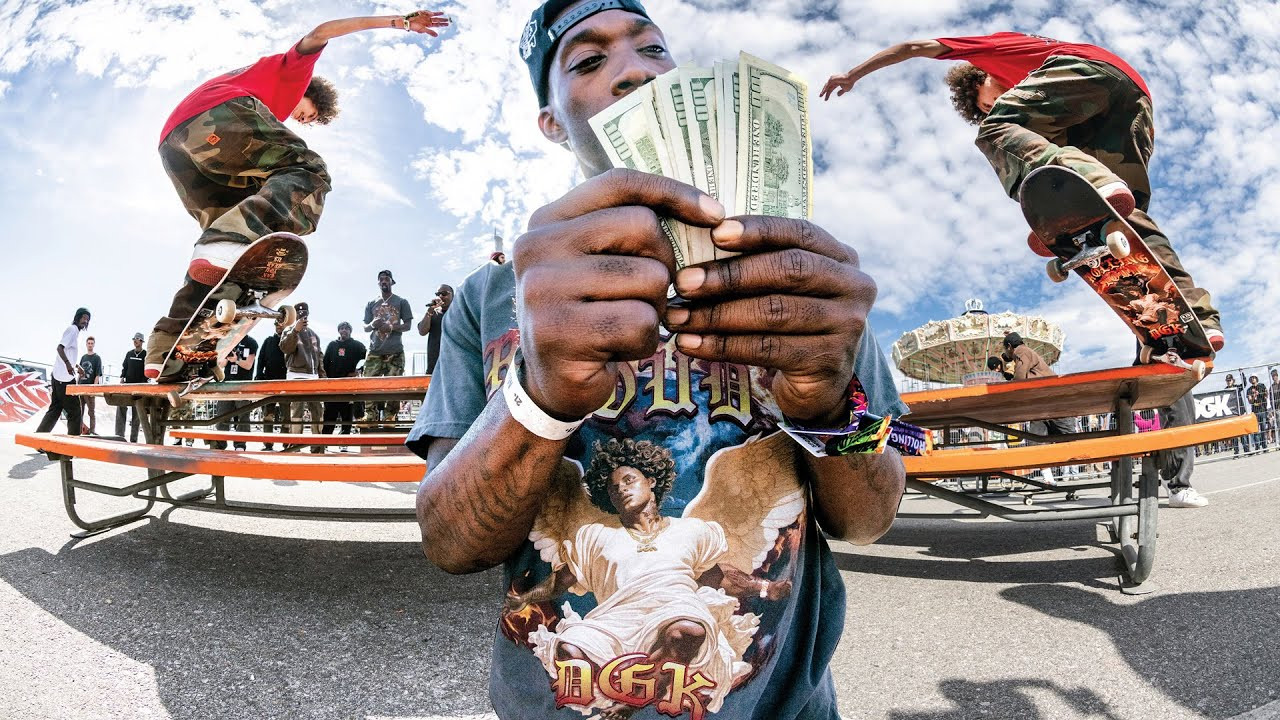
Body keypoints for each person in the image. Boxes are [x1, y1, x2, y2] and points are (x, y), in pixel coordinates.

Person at [409, 2, 908, 717]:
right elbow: (450, 541)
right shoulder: (493, 297)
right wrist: (539, 400)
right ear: (551, 121)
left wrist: (832, 406)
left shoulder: (801, 280)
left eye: (654, 51)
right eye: (587, 60)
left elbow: (870, 517)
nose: (634, 70)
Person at [821, 32, 1223, 352]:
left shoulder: (991, 53)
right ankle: (1198, 314)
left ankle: (1083, 183)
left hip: (1087, 72)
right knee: (1126, 220)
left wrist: (853, 73)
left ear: (981, 78)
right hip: (1132, 103)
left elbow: (912, 47)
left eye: (988, 100)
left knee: (996, 131)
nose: (994, 103)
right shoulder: (1053, 111)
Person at [143, 10, 451, 379]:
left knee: (221, 258)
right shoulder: (293, 73)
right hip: (217, 116)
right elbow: (324, 30)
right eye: (308, 114)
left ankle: (167, 345)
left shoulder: (251, 94)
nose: (301, 121)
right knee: (309, 172)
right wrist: (400, 22)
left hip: (176, 146)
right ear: (309, 93)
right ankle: (226, 241)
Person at [363, 270, 413, 424]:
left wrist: (391, 327)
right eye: (381, 279)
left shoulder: (401, 301)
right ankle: (370, 416)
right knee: (369, 383)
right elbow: (365, 327)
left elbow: (408, 325)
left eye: (387, 279)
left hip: (395, 351)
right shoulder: (371, 303)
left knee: (394, 385)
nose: (384, 281)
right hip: (375, 350)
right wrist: (372, 324)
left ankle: (390, 416)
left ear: (392, 282)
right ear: (378, 283)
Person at [36, 308, 90, 435]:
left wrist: (77, 366)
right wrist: (67, 365)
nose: (85, 321)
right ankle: (73, 443)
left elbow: (68, 354)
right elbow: (60, 348)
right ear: (77, 317)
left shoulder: (75, 332)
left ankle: (40, 439)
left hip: (59, 376)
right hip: (64, 379)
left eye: (87, 319)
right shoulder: (72, 330)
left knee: (55, 408)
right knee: (75, 411)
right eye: (83, 318)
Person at [280, 301, 325, 450]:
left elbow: (319, 358)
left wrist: (323, 379)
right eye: (299, 311)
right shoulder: (288, 330)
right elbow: (285, 348)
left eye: (305, 311)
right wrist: (295, 331)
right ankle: (295, 445)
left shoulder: (314, 335)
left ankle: (317, 446)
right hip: (296, 376)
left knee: (317, 412)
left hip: (314, 378)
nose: (302, 314)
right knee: (296, 413)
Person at [322, 321, 367, 445]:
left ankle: (345, 443)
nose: (344, 330)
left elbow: (367, 359)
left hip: (349, 386)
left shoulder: (357, 345)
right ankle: (325, 442)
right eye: (341, 328)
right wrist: (325, 381)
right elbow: (324, 363)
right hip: (332, 387)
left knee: (346, 417)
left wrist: (358, 370)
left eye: (347, 328)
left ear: (350, 330)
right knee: (329, 416)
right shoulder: (332, 345)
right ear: (338, 331)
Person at [213, 334, 258, 450]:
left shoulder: (251, 342)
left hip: (244, 384)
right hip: (227, 383)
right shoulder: (228, 341)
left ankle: (240, 445)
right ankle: (220, 444)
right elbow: (221, 364)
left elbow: (248, 365)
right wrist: (226, 357)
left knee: (243, 416)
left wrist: (236, 359)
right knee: (222, 415)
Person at [256, 321, 289, 450]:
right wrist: (259, 374)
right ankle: (268, 443)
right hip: (270, 382)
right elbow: (261, 359)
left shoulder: (290, 341)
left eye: (282, 324)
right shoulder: (268, 341)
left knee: (286, 415)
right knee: (268, 415)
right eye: (277, 324)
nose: (279, 326)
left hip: (286, 383)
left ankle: (286, 442)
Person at [115, 332, 147, 442]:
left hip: (140, 387)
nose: (135, 340)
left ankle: (134, 439)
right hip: (127, 385)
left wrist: (144, 383)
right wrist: (122, 377)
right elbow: (125, 367)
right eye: (134, 339)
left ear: (142, 341)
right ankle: (119, 436)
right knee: (121, 407)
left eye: (137, 339)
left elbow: (147, 370)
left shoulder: (145, 354)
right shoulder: (129, 354)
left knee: (137, 412)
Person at [415, 284, 454, 373]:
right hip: (435, 366)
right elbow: (422, 331)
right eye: (438, 294)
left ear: (453, 295)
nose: (440, 296)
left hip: (454, 366)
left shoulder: (459, 313)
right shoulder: (432, 314)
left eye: (444, 293)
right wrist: (429, 311)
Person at [76, 336, 104, 434]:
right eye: (89, 343)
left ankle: (92, 431)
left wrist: (93, 389)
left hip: (90, 388)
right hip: (81, 388)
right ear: (86, 344)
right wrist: (77, 386)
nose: (90, 345)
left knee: (91, 412)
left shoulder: (97, 358)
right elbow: (79, 373)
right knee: (80, 411)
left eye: (92, 343)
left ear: (94, 344)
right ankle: (78, 430)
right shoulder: (83, 357)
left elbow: (97, 375)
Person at [1225, 374, 1252, 456]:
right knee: (1234, 435)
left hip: (1240, 412)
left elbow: (1244, 384)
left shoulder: (1237, 387)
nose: (1229, 382)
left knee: (1243, 433)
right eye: (1227, 380)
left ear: (1233, 380)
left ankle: (1246, 450)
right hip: (1232, 414)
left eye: (1230, 380)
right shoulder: (1225, 390)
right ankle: (1236, 452)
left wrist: (1242, 374)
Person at [1246, 375, 1270, 452]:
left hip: (1262, 409)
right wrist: (1254, 396)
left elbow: (1266, 396)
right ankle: (1257, 447)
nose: (1253, 379)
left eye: (1254, 378)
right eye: (1251, 378)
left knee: (1263, 429)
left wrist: (1265, 393)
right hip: (1255, 412)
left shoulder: (1262, 386)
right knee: (1255, 430)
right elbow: (1250, 401)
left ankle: (1264, 446)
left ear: (1256, 378)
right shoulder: (1249, 390)